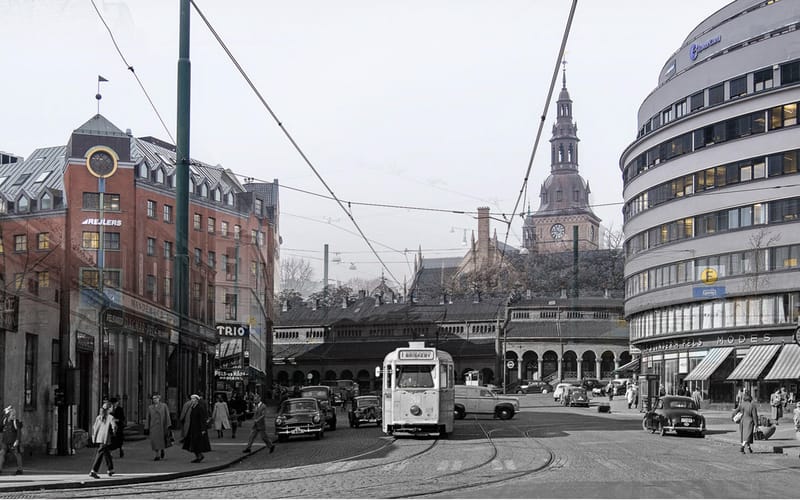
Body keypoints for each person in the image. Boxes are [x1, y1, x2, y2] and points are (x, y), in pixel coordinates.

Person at [89, 400, 117, 478]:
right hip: (106, 438)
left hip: (99, 437)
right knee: (100, 453)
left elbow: (94, 427)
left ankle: (110, 469)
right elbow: (114, 426)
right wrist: (114, 432)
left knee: (107, 453)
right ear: (109, 409)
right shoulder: (110, 417)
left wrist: (94, 437)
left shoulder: (99, 417)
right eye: (111, 407)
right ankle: (94, 470)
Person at [182, 394, 211, 463]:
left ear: (197, 400)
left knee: (197, 443)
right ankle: (198, 456)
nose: (192, 400)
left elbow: (202, 419)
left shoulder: (200, 407)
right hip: (193, 428)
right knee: (192, 443)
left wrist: (203, 429)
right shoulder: (193, 407)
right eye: (191, 399)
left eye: (194, 399)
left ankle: (199, 456)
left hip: (198, 428)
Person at [145, 394, 172, 461]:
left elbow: (167, 415)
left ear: (159, 399)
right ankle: (157, 455)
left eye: (156, 398)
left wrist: (168, 424)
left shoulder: (164, 406)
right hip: (153, 427)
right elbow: (148, 418)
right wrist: (146, 427)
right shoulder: (150, 407)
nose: (155, 400)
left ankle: (162, 449)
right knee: (154, 441)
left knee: (162, 440)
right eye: (153, 398)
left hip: (162, 426)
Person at [0, 404, 23, 476]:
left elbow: (19, 432)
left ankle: (20, 469)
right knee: (1, 454)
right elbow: (2, 429)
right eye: (11, 414)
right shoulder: (4, 421)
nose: (13, 416)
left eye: (13, 414)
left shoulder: (16, 422)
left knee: (17, 455)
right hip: (5, 441)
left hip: (13, 442)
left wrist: (17, 441)